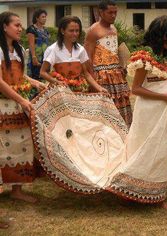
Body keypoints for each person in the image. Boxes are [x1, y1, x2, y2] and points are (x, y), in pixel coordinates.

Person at [107, 15, 167, 208]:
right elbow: (136, 89)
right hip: (150, 112)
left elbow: (164, 80)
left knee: (164, 149)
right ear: (160, 34)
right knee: (147, 149)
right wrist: (165, 96)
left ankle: (156, 195)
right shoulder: (144, 57)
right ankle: (130, 189)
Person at [0, 11, 45, 203]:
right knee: (2, 148)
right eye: (16, 25)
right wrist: (21, 100)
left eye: (20, 25)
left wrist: (34, 82)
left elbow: (20, 76)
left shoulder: (19, 50)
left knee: (22, 145)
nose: (21, 28)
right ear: (4, 27)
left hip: (19, 105)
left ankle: (17, 190)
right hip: (3, 106)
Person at [84, 0, 132, 127]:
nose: (113, 15)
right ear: (101, 12)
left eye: (115, 12)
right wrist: (93, 80)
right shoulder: (93, 30)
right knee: (105, 112)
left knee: (121, 110)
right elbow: (87, 57)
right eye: (110, 12)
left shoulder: (114, 29)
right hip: (101, 76)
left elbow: (115, 52)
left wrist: (122, 65)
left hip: (117, 75)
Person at [40, 16, 107, 94]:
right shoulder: (53, 49)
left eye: (77, 31)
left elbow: (86, 74)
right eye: (71, 31)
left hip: (79, 89)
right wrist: (56, 82)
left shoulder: (80, 49)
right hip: (59, 91)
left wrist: (99, 88)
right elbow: (43, 72)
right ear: (62, 31)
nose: (75, 34)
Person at [26, 9, 49, 81]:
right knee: (35, 78)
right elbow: (31, 44)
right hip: (36, 57)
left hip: (45, 58)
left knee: (44, 77)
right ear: (37, 18)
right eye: (43, 17)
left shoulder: (45, 30)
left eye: (45, 17)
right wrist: (33, 57)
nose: (45, 19)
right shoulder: (32, 29)